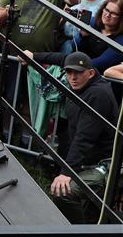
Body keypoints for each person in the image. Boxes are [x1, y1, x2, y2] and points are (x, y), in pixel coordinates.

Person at [44, 53, 119, 224]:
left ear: (91, 73)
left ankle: (81, 230)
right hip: (90, 158)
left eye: (78, 72)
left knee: (63, 192)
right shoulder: (80, 87)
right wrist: (33, 56)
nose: (73, 77)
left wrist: (66, 172)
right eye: (69, 72)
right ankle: (92, 221)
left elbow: (84, 137)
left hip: (107, 163)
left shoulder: (97, 94)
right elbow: (62, 58)